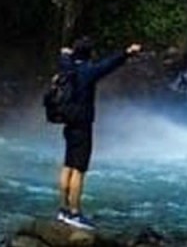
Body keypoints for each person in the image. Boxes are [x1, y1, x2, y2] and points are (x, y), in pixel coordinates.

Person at [55, 36, 142, 230]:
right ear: (89, 54)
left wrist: (66, 54)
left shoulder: (67, 67)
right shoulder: (88, 71)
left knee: (67, 165)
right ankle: (75, 213)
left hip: (68, 122)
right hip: (82, 124)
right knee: (79, 169)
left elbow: (65, 55)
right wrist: (127, 52)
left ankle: (62, 210)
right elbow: (109, 64)